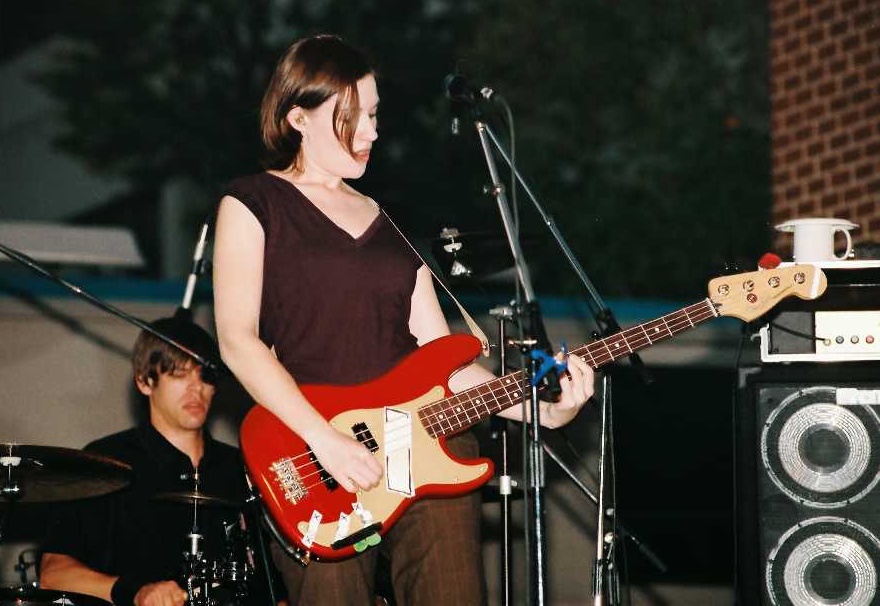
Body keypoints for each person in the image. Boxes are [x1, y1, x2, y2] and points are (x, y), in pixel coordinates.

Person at [212, 34, 596, 605]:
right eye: (353, 117)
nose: (371, 132)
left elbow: (442, 359)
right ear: (298, 117)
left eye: (374, 115)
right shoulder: (253, 203)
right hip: (312, 448)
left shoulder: (389, 223)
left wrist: (545, 411)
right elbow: (237, 341)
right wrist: (323, 439)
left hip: (425, 442)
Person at [40, 317, 250, 606]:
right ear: (144, 381)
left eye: (205, 376)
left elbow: (275, 586)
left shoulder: (240, 468)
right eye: (179, 374)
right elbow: (52, 573)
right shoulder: (104, 463)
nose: (196, 388)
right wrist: (134, 592)